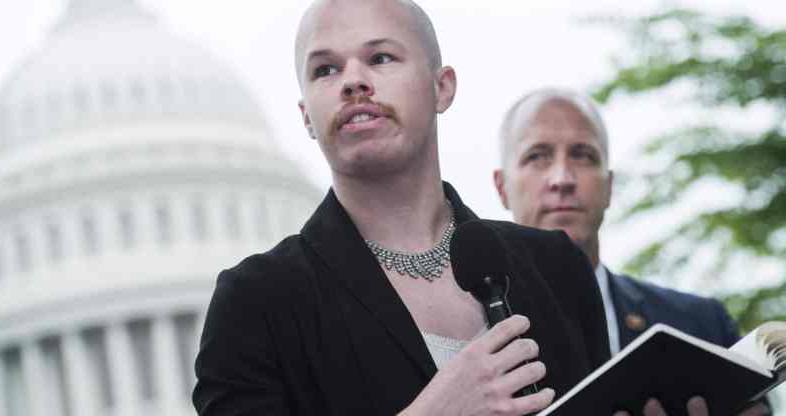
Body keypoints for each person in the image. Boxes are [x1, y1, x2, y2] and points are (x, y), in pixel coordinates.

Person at [192, 2, 610, 415]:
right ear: (306, 115)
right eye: (325, 69)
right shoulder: (257, 304)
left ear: (442, 87)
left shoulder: (555, 267)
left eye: (380, 57)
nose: (354, 81)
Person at [493, 87, 770, 416]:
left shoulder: (702, 326)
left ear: (609, 187)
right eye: (537, 156)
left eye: (582, 155)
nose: (562, 178)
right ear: (502, 188)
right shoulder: (464, 338)